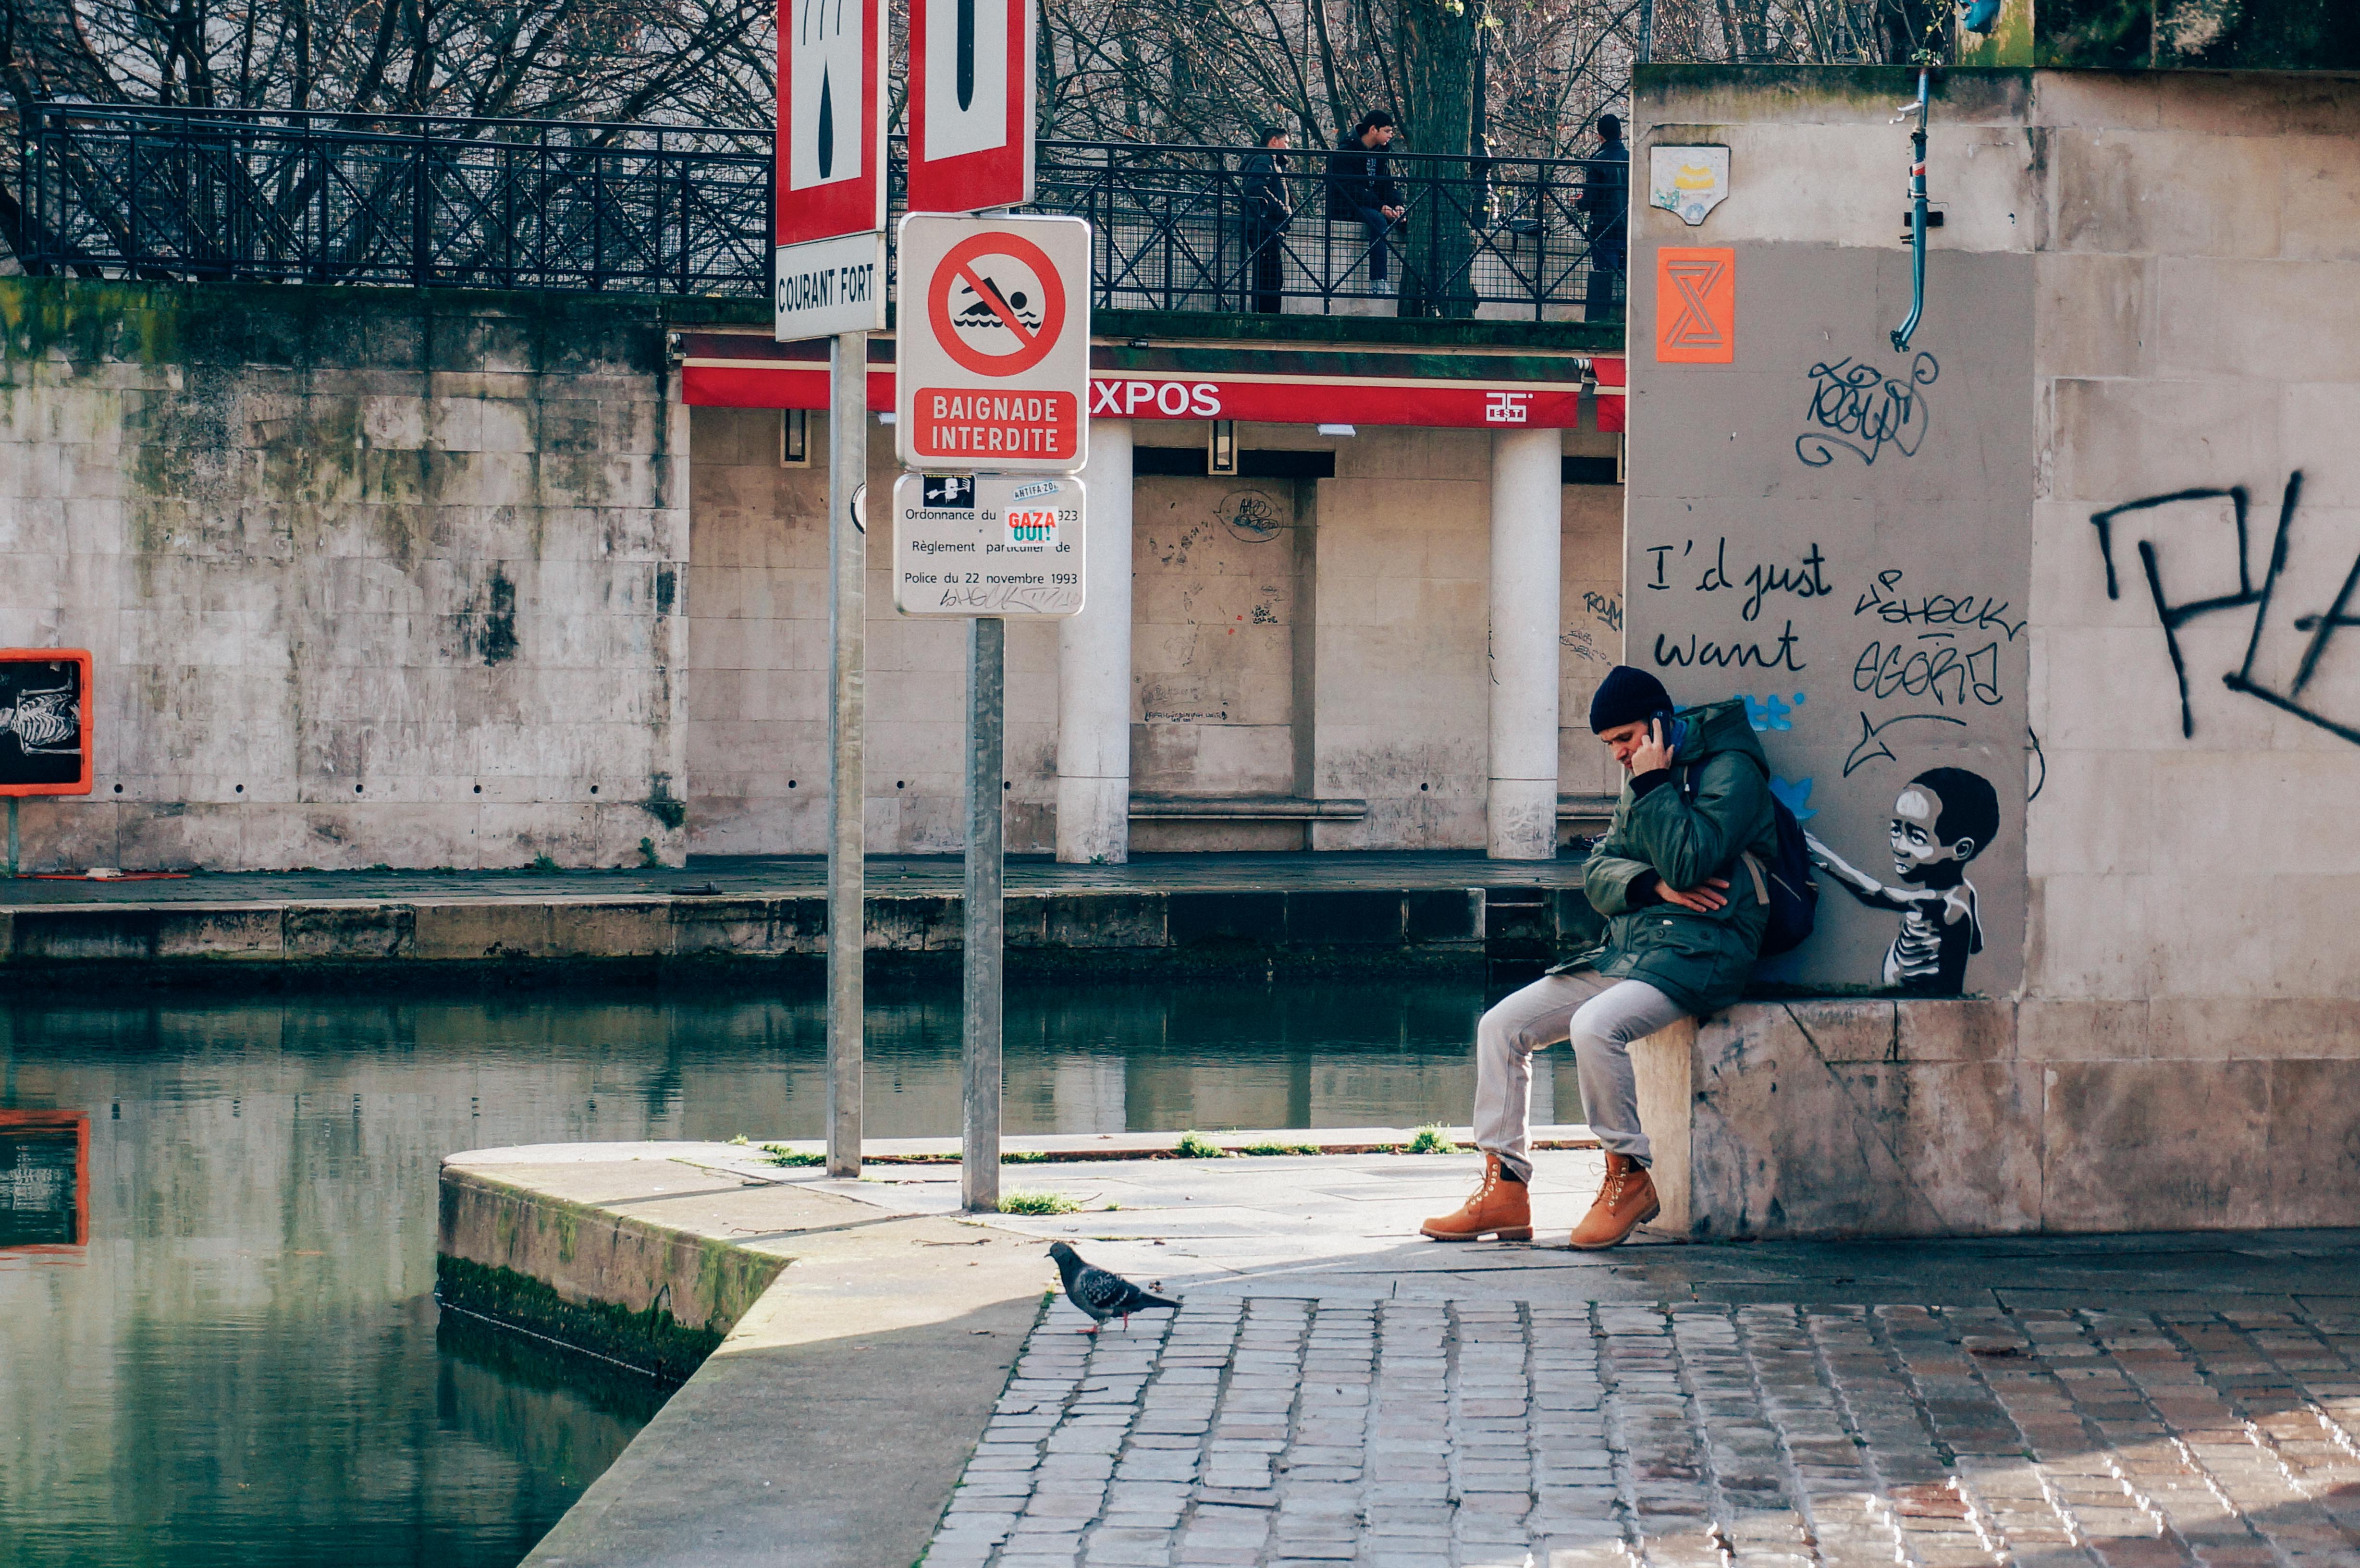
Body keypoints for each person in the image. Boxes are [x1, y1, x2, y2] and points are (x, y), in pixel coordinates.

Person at [1421, 666, 1778, 1250]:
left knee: (1595, 1026)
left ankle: (1628, 1177)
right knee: (1500, 1026)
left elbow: (1689, 861)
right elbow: (1596, 872)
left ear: (1659, 724)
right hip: (1632, 950)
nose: (1618, 755)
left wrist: (1655, 787)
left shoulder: (1730, 770)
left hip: (1705, 950)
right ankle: (1505, 1189)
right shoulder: (1643, 779)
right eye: (1610, 744)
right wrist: (1651, 885)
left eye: (1625, 739)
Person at [1806, 769, 1999, 996]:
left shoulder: (1943, 905)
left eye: (1917, 837)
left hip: (1921, 1002)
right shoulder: (1966, 891)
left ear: (1962, 849)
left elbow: (1875, 894)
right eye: (1896, 829)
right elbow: (1976, 944)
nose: (1899, 846)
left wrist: (1822, 857)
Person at [1326, 110, 1405, 294]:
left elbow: (1387, 185)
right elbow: (1350, 189)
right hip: (1347, 206)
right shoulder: (1346, 151)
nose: (1391, 135)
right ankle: (1378, 282)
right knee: (1377, 220)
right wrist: (1380, 207)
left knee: (1404, 220)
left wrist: (1397, 205)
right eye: (1387, 131)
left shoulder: (1381, 152)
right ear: (1373, 130)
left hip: (1373, 204)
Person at [1578, 113, 1628, 320]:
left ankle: (1600, 320)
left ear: (1600, 136)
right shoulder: (1633, 159)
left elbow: (1590, 199)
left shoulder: (1597, 161)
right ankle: (1625, 321)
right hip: (1628, 228)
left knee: (1604, 277)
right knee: (1625, 279)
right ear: (1621, 134)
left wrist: (1579, 203)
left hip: (1604, 228)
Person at [1241, 124, 1293, 314]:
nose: (1288, 147)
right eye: (1286, 142)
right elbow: (1256, 186)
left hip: (1264, 226)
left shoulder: (1265, 160)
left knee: (1267, 276)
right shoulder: (1265, 159)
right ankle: (1269, 318)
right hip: (1265, 226)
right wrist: (1282, 209)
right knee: (1272, 278)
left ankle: (1264, 315)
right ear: (1274, 142)